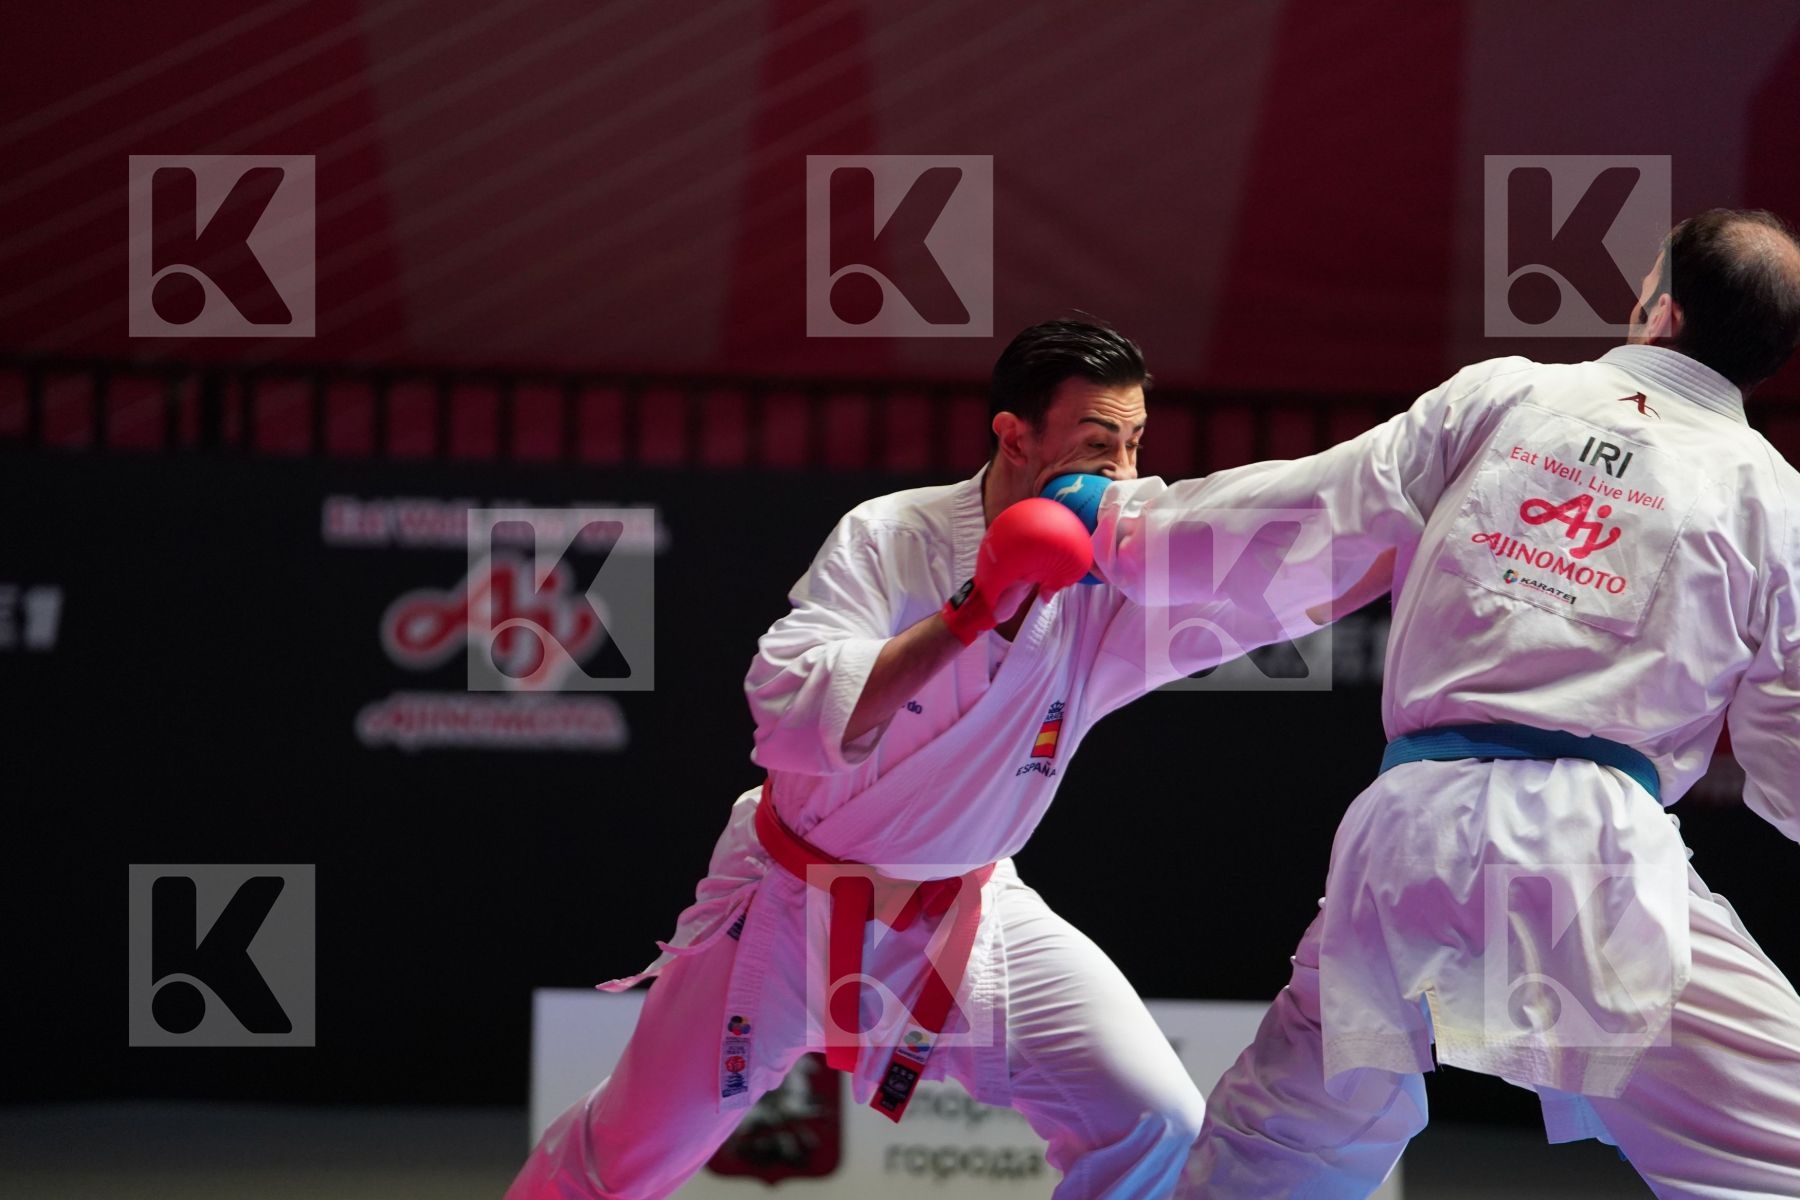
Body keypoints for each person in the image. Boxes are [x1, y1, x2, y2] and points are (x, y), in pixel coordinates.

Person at [506, 318, 1348, 1200]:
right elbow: (785, 705)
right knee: (624, 1155)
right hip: (785, 909)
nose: (1123, 477)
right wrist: (969, 611)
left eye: (1134, 446)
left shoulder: (1111, 581)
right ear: (1014, 437)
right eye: (1099, 446)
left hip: (965, 916)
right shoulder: (890, 536)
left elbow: (1270, 577)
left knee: (1153, 1122)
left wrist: (1405, 528)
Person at [1086, 209, 1800, 1198]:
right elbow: (1790, 749)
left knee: (1279, 1150)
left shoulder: (1509, 395)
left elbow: (1309, 513)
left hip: (1405, 836)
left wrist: (1118, 525)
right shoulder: (1773, 497)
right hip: (1594, 861)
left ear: (1660, 310)